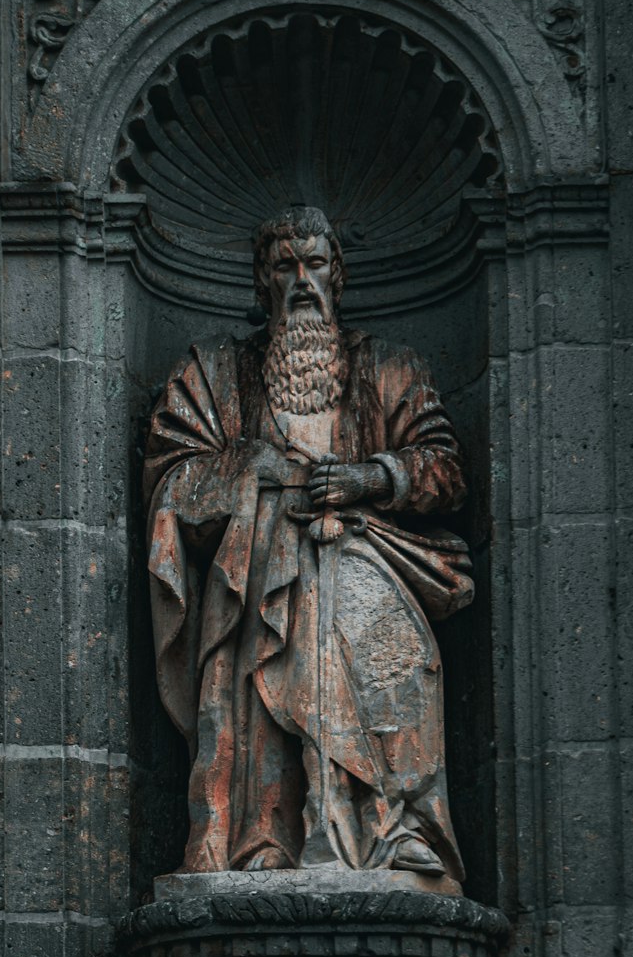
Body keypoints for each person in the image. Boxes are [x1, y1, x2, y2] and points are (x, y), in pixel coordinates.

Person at [143, 204, 474, 889]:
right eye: (284, 265)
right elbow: (171, 477)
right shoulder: (216, 376)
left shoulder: (388, 369)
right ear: (262, 283)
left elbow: (445, 468)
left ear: (338, 275)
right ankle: (262, 836)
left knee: (383, 646)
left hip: (369, 558)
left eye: (314, 262)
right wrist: (247, 469)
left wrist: (371, 476)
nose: (301, 279)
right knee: (272, 608)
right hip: (256, 573)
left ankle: (395, 827)